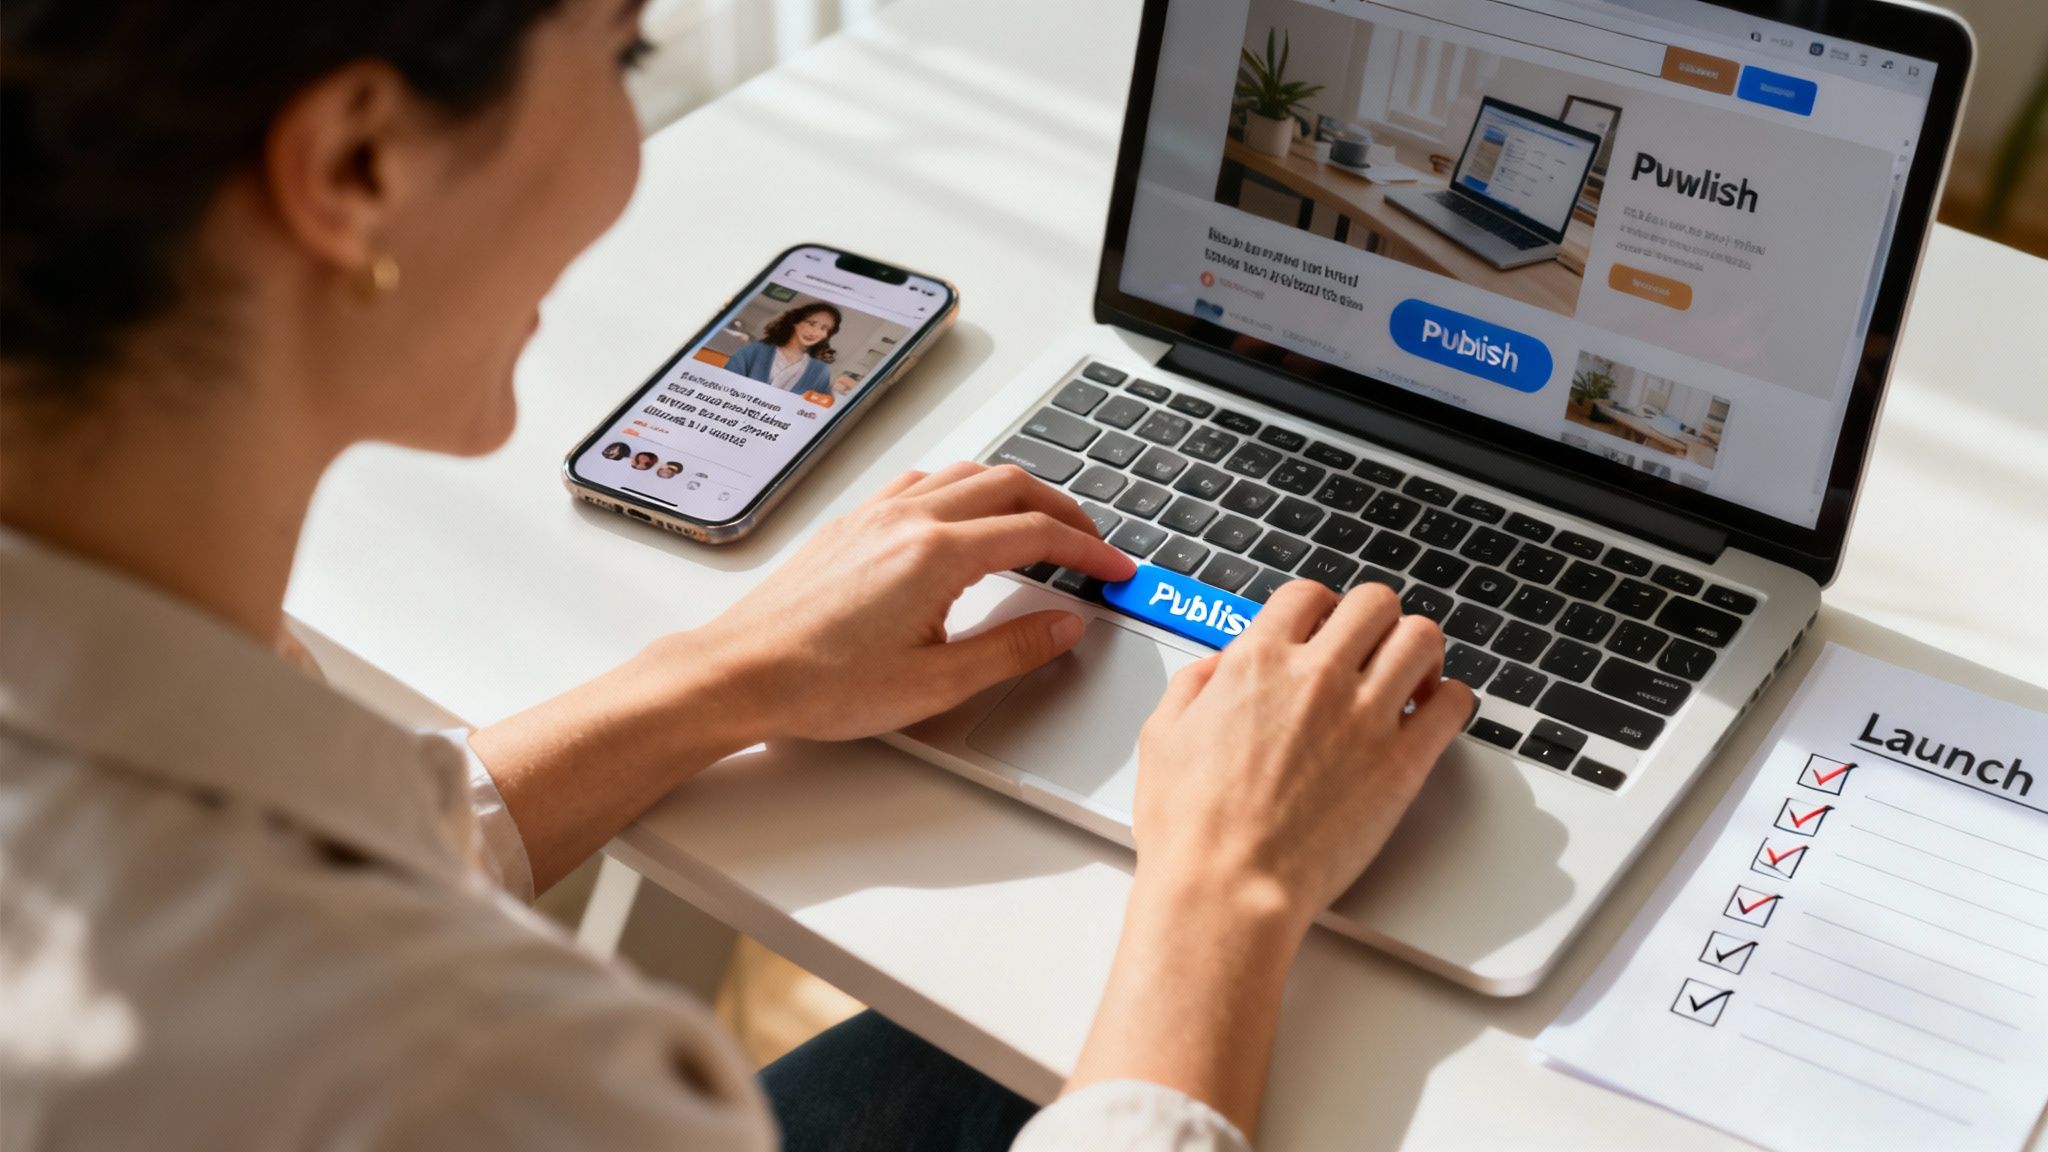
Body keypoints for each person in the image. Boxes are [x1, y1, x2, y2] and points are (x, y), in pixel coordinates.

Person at [0, 3, 1471, 1151]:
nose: (636, 149)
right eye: (621, 47)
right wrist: (1227, 889)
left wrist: (714, 678)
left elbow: (298, 872)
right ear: (357, 167)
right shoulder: (467, 1067)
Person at [724, 302, 858, 396]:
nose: (815, 332)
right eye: (811, 324)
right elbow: (723, 383)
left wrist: (837, 390)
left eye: (824, 328)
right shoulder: (755, 350)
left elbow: (815, 408)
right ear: (796, 322)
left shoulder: (819, 370)